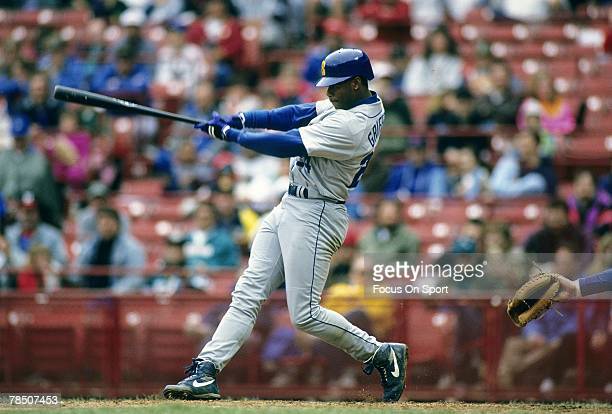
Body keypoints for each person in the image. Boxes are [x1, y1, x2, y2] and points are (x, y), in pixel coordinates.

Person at [163, 48, 407, 402]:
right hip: (291, 205)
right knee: (247, 292)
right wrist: (243, 119)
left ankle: (380, 353)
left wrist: (232, 136)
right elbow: (299, 112)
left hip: (318, 214)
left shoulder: (353, 123)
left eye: (335, 86)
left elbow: (288, 141)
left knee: (305, 315)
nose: (329, 92)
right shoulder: (356, 101)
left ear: (356, 83)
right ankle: (205, 371)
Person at [75, 207, 146, 292]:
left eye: (109, 221)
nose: (105, 226)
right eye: (102, 222)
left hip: (117, 297)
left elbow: (135, 277)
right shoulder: (90, 245)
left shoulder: (132, 247)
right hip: (90, 294)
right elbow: (79, 270)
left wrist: (113, 292)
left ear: (117, 224)